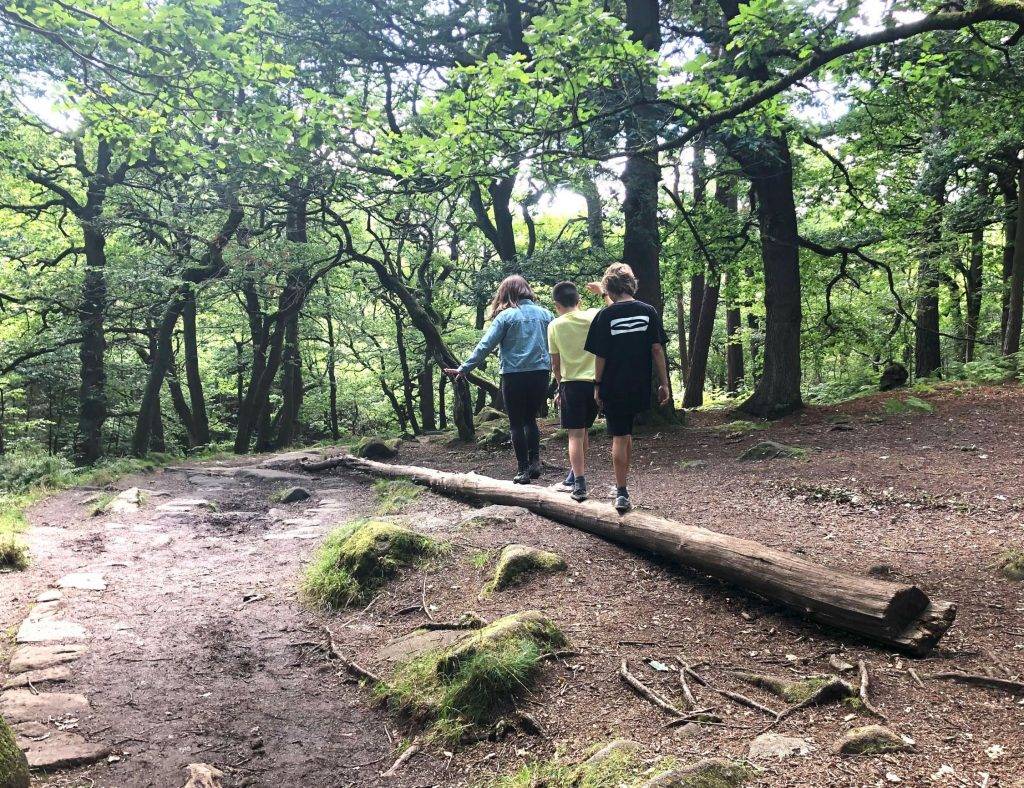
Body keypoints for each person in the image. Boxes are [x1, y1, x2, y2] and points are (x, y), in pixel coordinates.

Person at [444, 275, 553, 484]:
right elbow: (557, 344)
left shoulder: (505, 317)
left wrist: (464, 369)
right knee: (530, 419)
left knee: (516, 423)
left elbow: (485, 346)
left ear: (506, 293)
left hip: (513, 375)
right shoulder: (546, 315)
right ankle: (535, 463)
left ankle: (523, 470)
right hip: (540, 373)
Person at [584, 263, 670, 514]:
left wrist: (596, 384)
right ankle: (623, 484)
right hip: (639, 383)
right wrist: (664, 383)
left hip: (613, 383)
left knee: (620, 436)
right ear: (632, 284)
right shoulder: (648, 311)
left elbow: (601, 355)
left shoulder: (605, 316)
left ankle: (621, 491)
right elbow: (657, 349)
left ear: (609, 288)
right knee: (627, 433)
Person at [547, 281, 599, 502]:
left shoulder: (555, 326)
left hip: (571, 384)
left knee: (575, 435)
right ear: (579, 301)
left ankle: (579, 483)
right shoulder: (594, 317)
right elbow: (614, 308)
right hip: (596, 384)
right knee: (585, 430)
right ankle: (573, 476)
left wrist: (560, 386)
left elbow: (556, 365)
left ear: (557, 305)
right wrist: (604, 292)